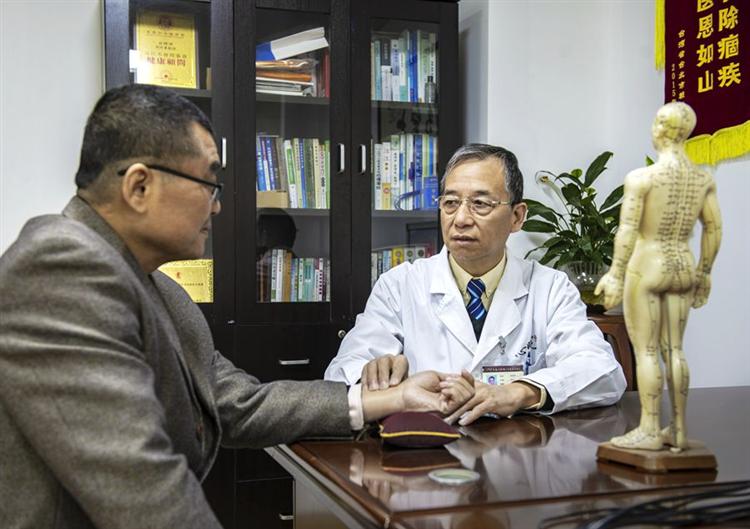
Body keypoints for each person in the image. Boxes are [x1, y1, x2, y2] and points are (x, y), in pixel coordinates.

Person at [0, 85, 473, 529]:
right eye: (209, 183)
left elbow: (237, 403)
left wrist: (390, 399)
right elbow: (142, 488)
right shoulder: (61, 266)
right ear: (139, 186)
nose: (217, 207)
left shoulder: (159, 289)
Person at [325, 143, 627, 424]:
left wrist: (519, 392)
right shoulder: (400, 285)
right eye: (450, 203)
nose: (461, 219)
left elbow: (602, 371)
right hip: (424, 449)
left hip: (517, 452)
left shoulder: (550, 288)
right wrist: (373, 376)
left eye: (480, 204)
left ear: (517, 217)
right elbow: (340, 375)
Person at [595, 102, 722, 451]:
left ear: (660, 129)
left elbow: (627, 229)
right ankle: (678, 429)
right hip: (683, 263)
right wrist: (704, 272)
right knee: (675, 350)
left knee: (648, 350)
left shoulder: (642, 178)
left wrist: (616, 274)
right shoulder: (703, 179)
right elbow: (714, 229)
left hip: (648, 265)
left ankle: (650, 428)